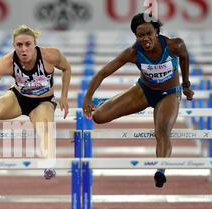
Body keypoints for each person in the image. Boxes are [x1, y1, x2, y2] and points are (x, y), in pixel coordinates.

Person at [82, 13, 194, 187]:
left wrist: (186, 84)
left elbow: (185, 58)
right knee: (99, 117)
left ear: (156, 31)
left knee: (162, 131)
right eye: (140, 35)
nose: (145, 39)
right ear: (135, 36)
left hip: (169, 94)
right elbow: (103, 73)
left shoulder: (174, 45)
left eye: (148, 33)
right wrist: (88, 97)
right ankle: (105, 102)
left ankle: (160, 170)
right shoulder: (133, 52)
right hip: (143, 91)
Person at [0, 25, 71, 179]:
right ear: (14, 46)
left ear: (35, 44)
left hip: (43, 102)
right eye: (19, 45)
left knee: (45, 128)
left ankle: (48, 165)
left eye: (28, 44)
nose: (24, 49)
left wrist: (64, 96)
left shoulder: (50, 55)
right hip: (17, 99)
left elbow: (67, 68)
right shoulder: (6, 62)